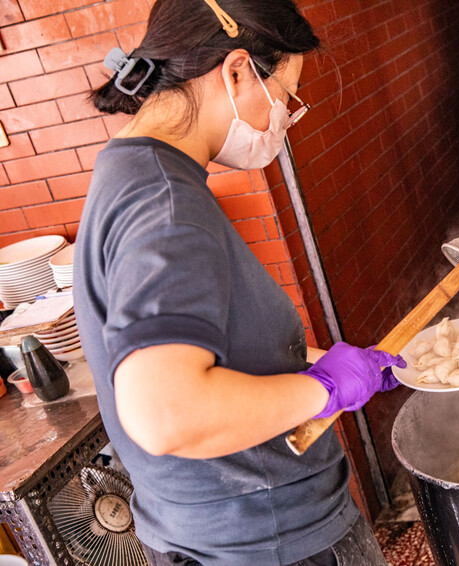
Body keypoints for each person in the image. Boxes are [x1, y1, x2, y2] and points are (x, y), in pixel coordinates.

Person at [72, 1, 405, 564]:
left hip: (209, 531)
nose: (286, 116)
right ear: (235, 71)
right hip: (263, 542)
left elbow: (210, 354)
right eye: (287, 95)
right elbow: (167, 414)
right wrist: (324, 391)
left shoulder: (131, 171)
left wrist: (326, 364)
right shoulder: (167, 205)